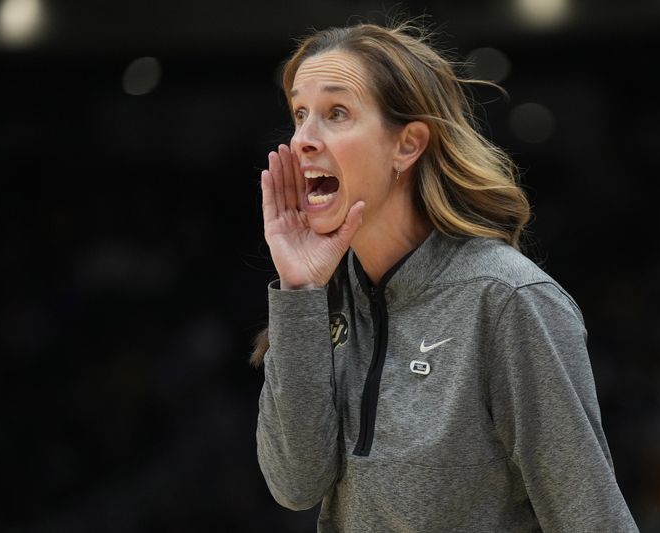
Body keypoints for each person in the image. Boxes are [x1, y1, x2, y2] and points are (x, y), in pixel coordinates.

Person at [253, 20, 638, 532]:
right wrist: (300, 291)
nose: (302, 139)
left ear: (407, 146)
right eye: (300, 114)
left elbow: (591, 518)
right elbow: (295, 485)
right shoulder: (323, 299)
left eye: (336, 113)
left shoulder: (506, 299)